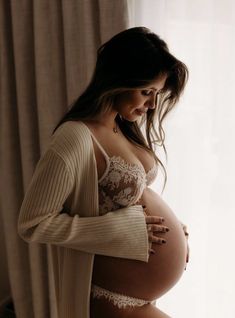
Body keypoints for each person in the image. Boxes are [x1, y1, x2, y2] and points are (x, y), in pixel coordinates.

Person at [18, 26, 189, 318]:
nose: (151, 105)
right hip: (111, 300)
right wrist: (121, 230)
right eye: (146, 92)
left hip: (137, 298)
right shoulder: (75, 136)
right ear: (119, 80)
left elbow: (127, 201)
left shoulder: (123, 128)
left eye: (156, 94)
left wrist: (174, 232)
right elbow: (32, 223)